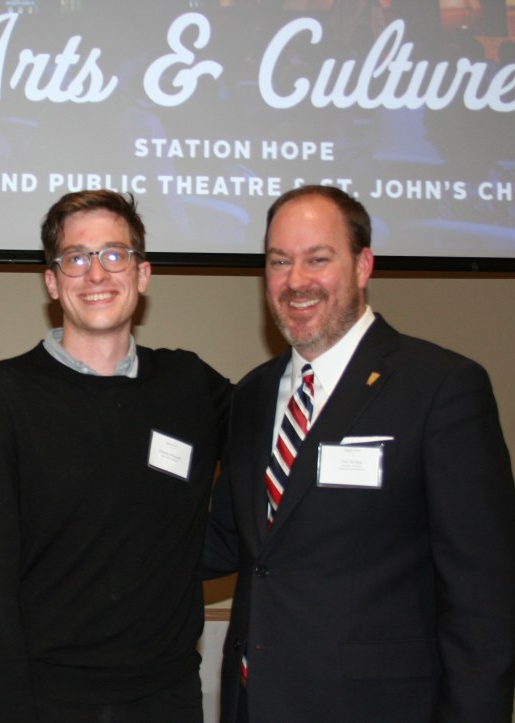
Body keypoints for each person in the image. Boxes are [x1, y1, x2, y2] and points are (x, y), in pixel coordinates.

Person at [205, 184, 515, 722]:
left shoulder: (440, 388)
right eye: (279, 261)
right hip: (254, 705)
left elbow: (483, 597)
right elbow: (232, 542)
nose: (296, 281)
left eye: (317, 259)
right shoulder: (253, 395)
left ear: (363, 265)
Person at [0, 190, 232, 722]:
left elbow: (271, 449)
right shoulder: (0, 394)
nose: (96, 273)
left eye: (114, 254)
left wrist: (197, 552)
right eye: (75, 258)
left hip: (167, 697)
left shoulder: (189, 384)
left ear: (143, 273)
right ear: (52, 281)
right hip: (45, 699)